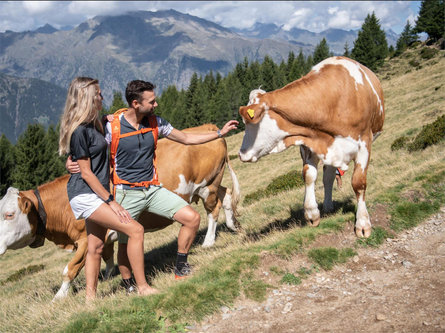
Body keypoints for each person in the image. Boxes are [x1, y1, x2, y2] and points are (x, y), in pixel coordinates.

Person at [67, 80, 238, 288]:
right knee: (124, 244)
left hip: (153, 188)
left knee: (192, 218)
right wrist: (71, 160)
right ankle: (129, 283)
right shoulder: (112, 126)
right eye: (152, 101)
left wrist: (219, 133)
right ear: (136, 104)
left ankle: (181, 266)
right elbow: (87, 143)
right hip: (125, 192)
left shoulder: (156, 122)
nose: (156, 105)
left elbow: (185, 138)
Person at [59, 77, 158, 301]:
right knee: (135, 230)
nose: (102, 97)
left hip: (95, 193)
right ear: (88, 98)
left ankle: (90, 300)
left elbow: (84, 155)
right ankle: (142, 287)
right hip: (85, 194)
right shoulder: (79, 131)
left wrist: (106, 119)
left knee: (95, 246)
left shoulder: (95, 124)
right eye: (99, 94)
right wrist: (110, 201)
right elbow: (85, 172)